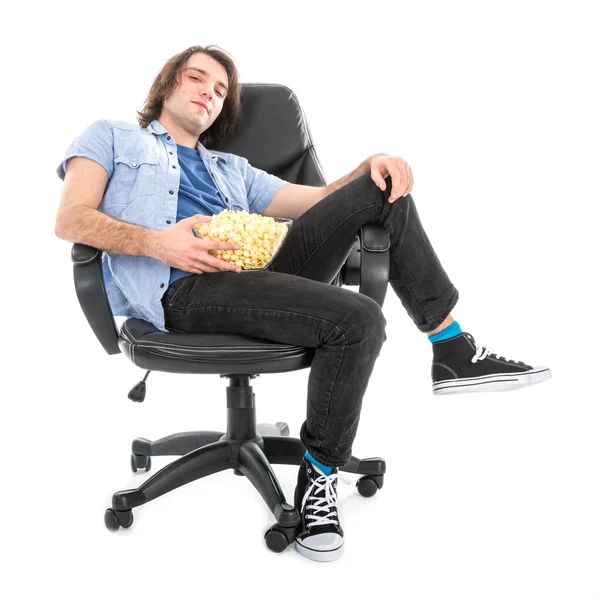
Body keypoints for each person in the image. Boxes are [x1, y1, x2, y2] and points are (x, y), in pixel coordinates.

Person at [55, 44, 551, 562]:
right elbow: (71, 219)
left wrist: (369, 164)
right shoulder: (112, 137)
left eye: (221, 90)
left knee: (383, 190)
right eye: (198, 78)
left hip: (262, 278)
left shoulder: (231, 168)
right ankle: (319, 477)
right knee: (360, 318)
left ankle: (453, 348)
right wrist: (160, 242)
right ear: (167, 84)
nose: (210, 92)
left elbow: (321, 202)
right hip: (181, 289)